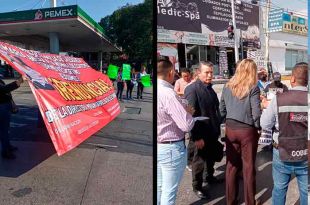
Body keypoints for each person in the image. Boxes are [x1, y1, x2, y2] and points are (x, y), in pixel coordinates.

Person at [260, 62, 308, 205]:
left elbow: (265, 124)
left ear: (292, 79)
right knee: (306, 191)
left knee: (280, 189)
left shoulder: (278, 99)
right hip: (306, 153)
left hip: (282, 152)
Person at [219, 59, 261, 205]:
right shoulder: (253, 87)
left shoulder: (227, 85)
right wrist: (258, 127)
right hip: (247, 129)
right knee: (248, 167)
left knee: (231, 167)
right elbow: (256, 112)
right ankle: (250, 202)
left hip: (230, 128)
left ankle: (231, 201)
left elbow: (221, 109)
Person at [157, 58, 195, 205]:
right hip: (171, 148)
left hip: (160, 145)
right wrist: (189, 113)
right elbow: (186, 125)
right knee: (169, 191)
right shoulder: (168, 94)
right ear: (171, 72)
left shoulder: (158, 90)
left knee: (160, 188)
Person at [184, 61, 222, 199]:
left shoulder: (210, 89)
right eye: (207, 72)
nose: (210, 75)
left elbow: (214, 110)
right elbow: (191, 115)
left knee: (210, 158)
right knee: (199, 162)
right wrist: (196, 137)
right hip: (200, 133)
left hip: (211, 130)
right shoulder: (192, 89)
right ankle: (197, 186)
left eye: (211, 72)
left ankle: (209, 177)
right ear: (198, 73)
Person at [0, 75, 26, 159]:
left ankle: (7, 146)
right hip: (1, 107)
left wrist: (12, 104)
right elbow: (4, 89)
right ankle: (5, 151)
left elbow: (6, 92)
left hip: (4, 106)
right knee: (3, 130)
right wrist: (20, 80)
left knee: (5, 129)